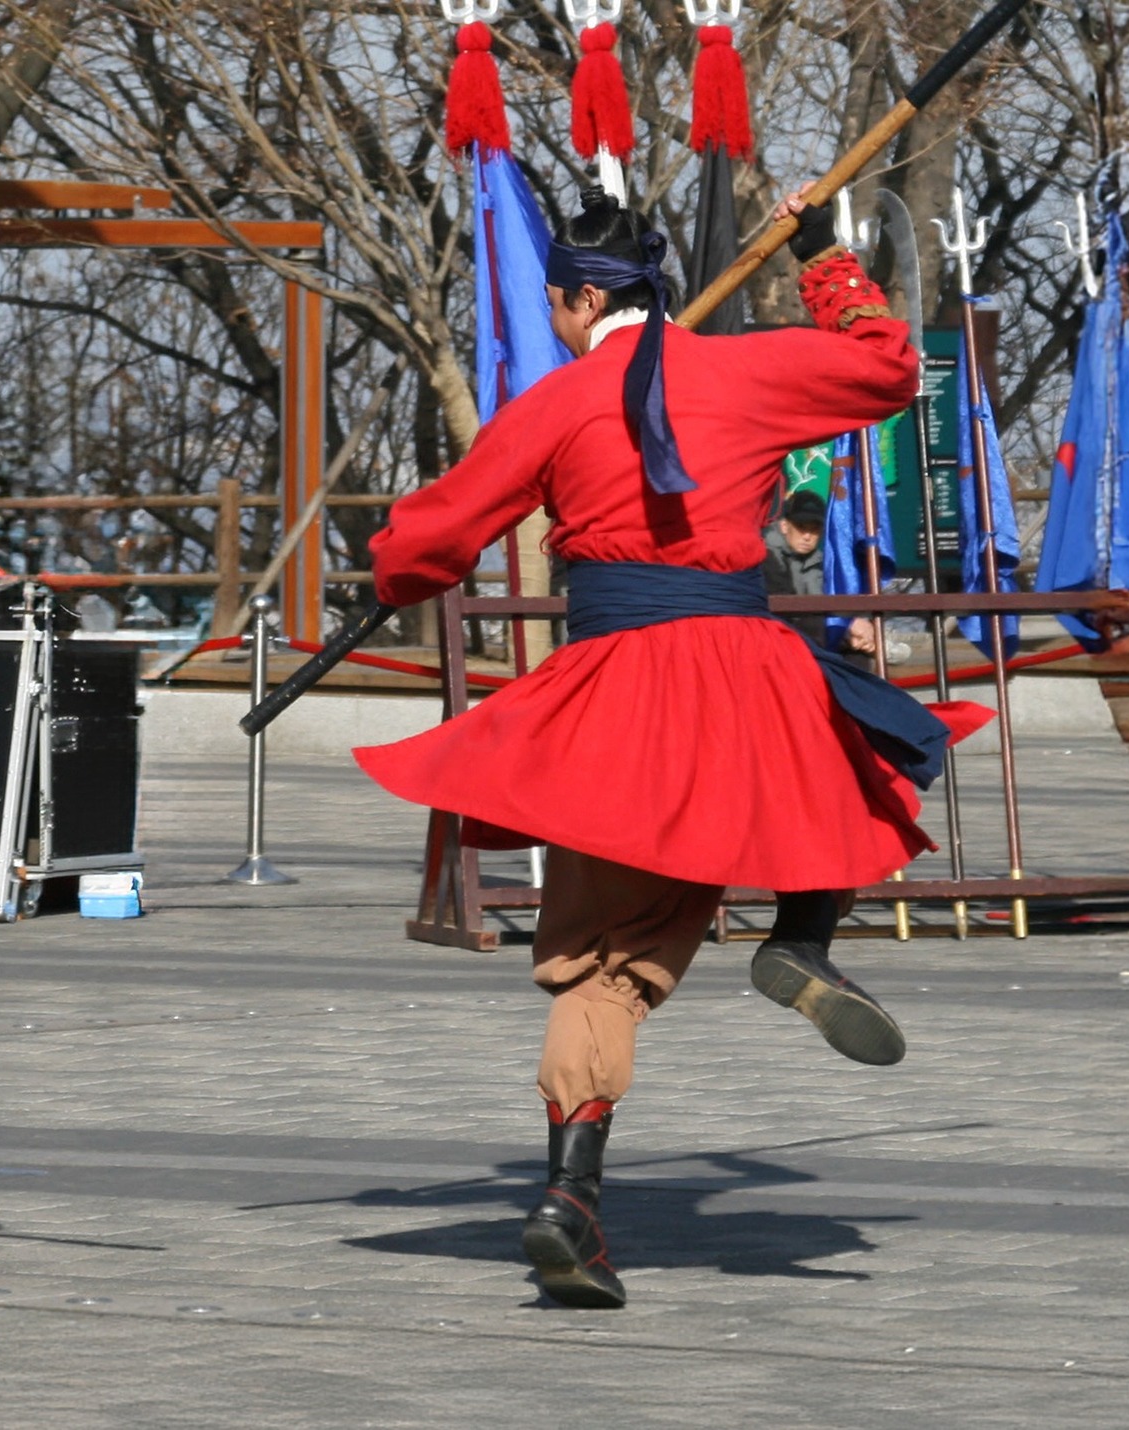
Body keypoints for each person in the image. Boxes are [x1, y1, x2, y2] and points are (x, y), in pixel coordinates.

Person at [353, 189, 989, 1309]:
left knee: (604, 961)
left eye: (556, 302)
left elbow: (435, 533)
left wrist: (398, 569)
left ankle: (570, 1198)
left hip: (618, 686)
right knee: (843, 755)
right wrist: (825, 258)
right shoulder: (746, 372)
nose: (552, 318)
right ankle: (803, 931)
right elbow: (888, 368)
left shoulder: (557, 400)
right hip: (744, 664)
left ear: (585, 296)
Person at [763, 486, 880, 658]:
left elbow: (844, 599)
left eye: (814, 529)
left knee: (859, 656)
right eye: (801, 527)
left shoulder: (823, 561)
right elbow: (786, 614)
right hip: (775, 645)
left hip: (814, 643)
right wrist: (845, 628)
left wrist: (861, 628)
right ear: (784, 526)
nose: (808, 536)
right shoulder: (766, 556)